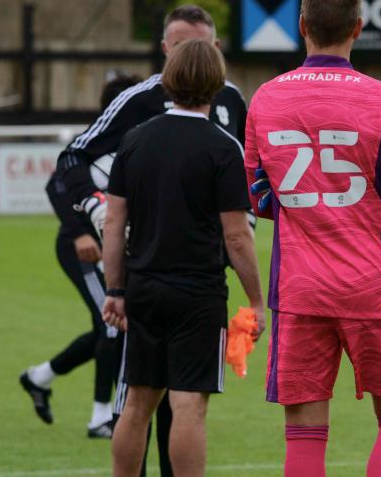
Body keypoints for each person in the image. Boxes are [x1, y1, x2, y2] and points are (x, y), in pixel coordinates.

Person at [20, 4, 249, 476]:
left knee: (158, 402)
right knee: (159, 400)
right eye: (180, 45)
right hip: (161, 270)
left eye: (198, 45)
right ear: (164, 49)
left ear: (216, 50)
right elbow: (73, 157)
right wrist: (93, 214)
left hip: (187, 272)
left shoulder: (234, 103)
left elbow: (244, 186)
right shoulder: (138, 103)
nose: (188, 53)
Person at [245, 0, 381, 477]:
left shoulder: (264, 99)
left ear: (302, 26)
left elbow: (255, 193)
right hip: (371, 286)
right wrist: (364, 210)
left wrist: (301, 207)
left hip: (299, 289)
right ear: (358, 29)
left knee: (304, 432)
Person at [100, 38, 265, 477]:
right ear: (217, 84)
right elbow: (237, 235)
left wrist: (115, 289)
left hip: (143, 287)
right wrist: (257, 300)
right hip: (198, 293)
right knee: (188, 403)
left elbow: (113, 225)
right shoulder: (224, 147)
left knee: (137, 402)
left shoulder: (134, 141)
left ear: (168, 81)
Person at [19, 74, 141, 439]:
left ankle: (40, 377)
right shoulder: (92, 141)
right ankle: (100, 417)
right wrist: (80, 232)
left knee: (108, 325)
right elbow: (55, 184)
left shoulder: (136, 141)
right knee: (111, 324)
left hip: (115, 247)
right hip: (82, 250)